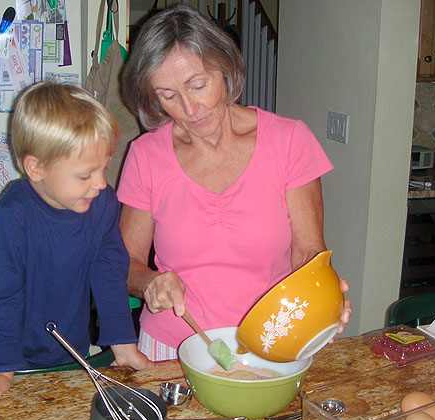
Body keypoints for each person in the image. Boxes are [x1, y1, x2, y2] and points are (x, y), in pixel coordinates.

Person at [117, 6, 352, 361]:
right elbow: (125, 261)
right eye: (167, 95)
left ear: (225, 68)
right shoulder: (146, 156)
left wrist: (323, 300)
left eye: (198, 85)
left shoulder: (289, 142)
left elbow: (308, 254)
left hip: (269, 343)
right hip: (171, 350)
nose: (189, 109)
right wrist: (149, 282)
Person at [0, 83, 153, 407]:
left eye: (103, 168)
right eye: (86, 175)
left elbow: (109, 272)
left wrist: (123, 344)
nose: (101, 183)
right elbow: (1, 299)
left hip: (68, 353)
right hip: (4, 360)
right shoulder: (10, 217)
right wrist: (3, 370)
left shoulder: (101, 204)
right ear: (36, 168)